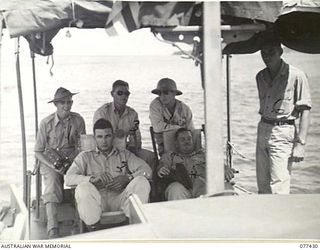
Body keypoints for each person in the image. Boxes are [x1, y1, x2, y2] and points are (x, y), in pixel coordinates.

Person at [65, 119, 151, 229]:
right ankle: (93, 227)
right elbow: (68, 178)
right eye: (100, 137)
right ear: (95, 138)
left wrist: (128, 177)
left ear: (113, 136)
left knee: (141, 181)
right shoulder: (85, 157)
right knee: (83, 187)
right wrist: (91, 179)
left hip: (120, 200)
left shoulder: (124, 155)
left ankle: (134, 225)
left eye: (107, 136)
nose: (104, 141)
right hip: (96, 202)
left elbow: (147, 171)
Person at [256, 39, 312, 194]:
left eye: (271, 52)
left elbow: (305, 110)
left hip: (283, 130)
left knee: (279, 184)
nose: (267, 56)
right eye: (263, 53)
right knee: (263, 184)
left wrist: (300, 144)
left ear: (280, 52)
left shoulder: (297, 75)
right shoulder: (260, 77)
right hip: (263, 128)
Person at [34, 87, 86, 238]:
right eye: (62, 102)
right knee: (52, 181)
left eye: (69, 102)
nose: (66, 105)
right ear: (55, 104)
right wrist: (53, 166)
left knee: (82, 177)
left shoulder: (78, 120)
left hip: (72, 157)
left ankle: (82, 220)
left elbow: (83, 146)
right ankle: (53, 226)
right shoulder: (46, 123)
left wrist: (75, 161)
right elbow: (38, 151)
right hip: (51, 159)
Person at [93, 80, 156, 171]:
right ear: (112, 94)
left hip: (127, 150)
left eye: (126, 93)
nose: (124, 96)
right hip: (107, 151)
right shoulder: (102, 112)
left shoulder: (133, 114)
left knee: (151, 157)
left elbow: (136, 137)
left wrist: (134, 147)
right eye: (120, 93)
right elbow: (98, 139)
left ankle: (151, 183)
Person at [157, 128, 236, 200]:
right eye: (182, 139)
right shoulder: (170, 156)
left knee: (226, 187)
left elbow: (218, 164)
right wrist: (162, 169)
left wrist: (225, 170)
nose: (186, 142)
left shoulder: (204, 154)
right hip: (182, 188)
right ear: (176, 143)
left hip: (203, 188)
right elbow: (163, 165)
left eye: (189, 139)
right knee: (175, 189)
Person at [149, 78, 194, 155]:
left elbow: (191, 130)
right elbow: (158, 127)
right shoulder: (155, 105)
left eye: (165, 92)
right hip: (164, 150)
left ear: (174, 94)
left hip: (185, 148)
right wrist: (179, 128)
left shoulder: (184, 108)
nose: (162, 96)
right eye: (159, 93)